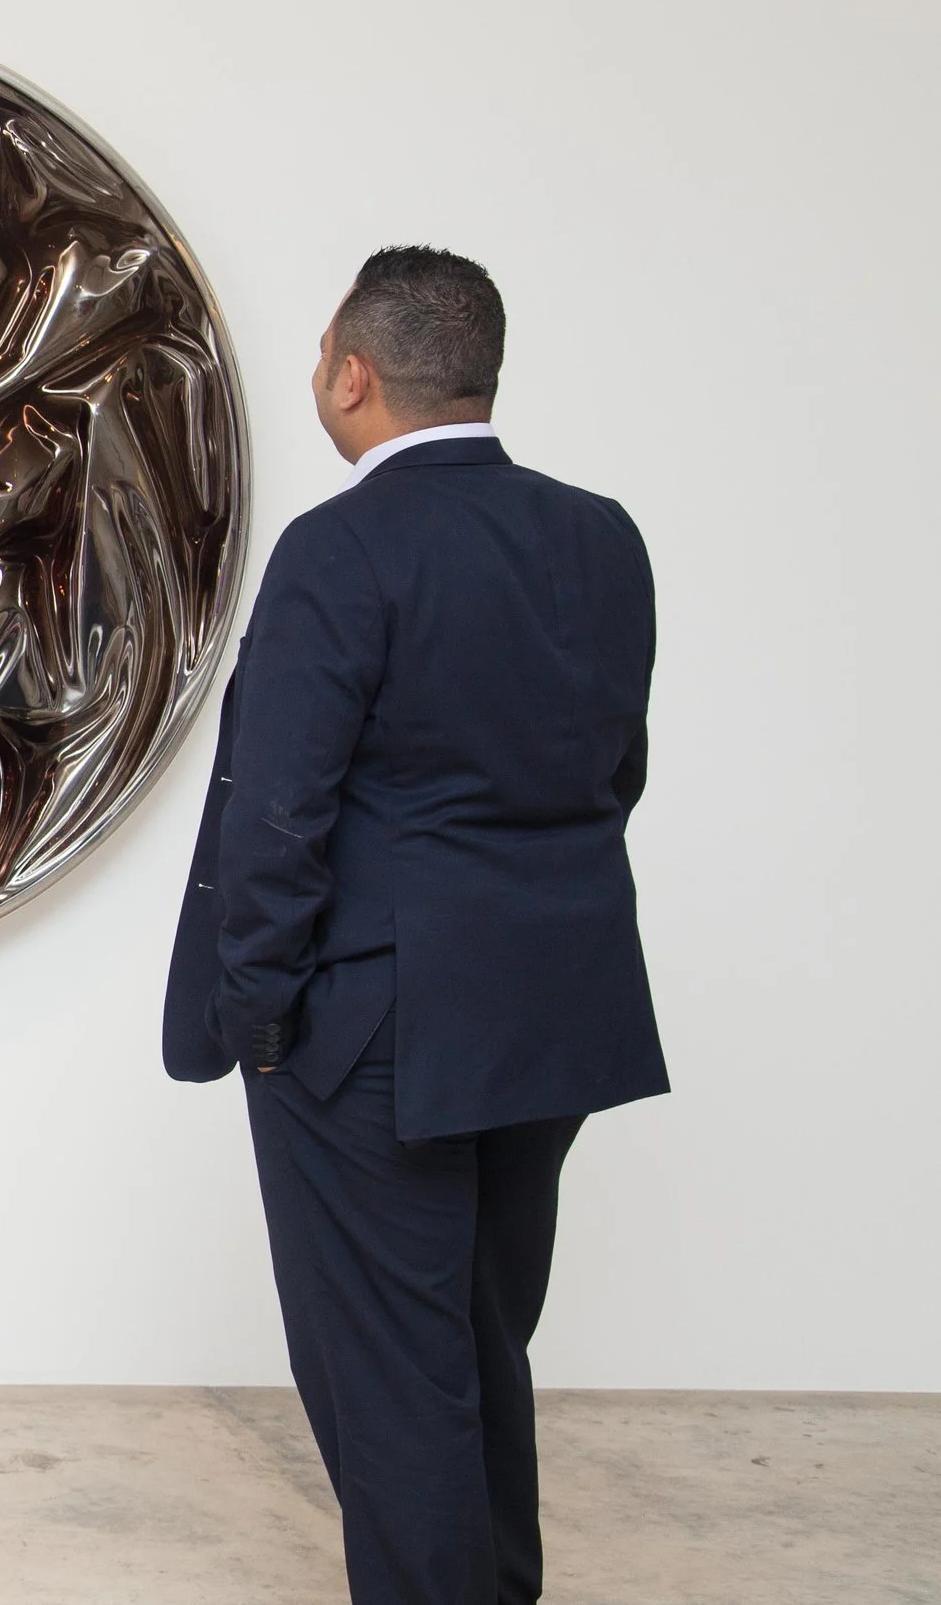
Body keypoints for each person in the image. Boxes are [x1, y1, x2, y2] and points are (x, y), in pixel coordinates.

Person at [162, 246, 667, 1604]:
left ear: (353, 373)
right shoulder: (602, 536)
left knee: (391, 1381)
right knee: (479, 1344)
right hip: (552, 1011)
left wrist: (261, 1016)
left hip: (373, 1028)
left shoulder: (342, 548)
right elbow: (612, 772)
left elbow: (280, 813)